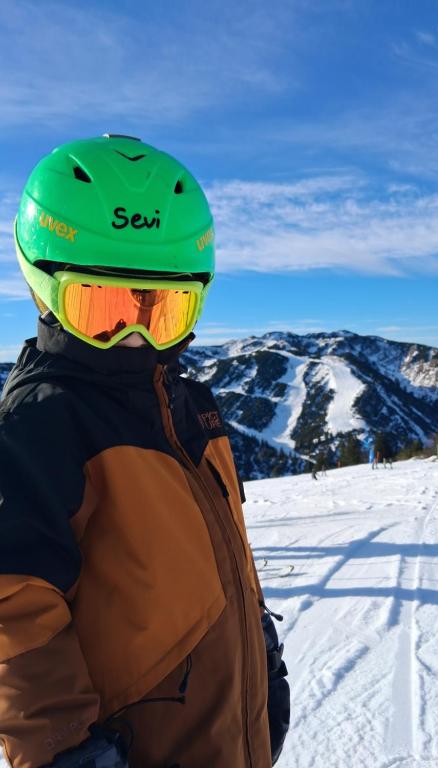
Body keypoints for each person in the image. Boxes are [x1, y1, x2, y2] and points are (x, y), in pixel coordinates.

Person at [0, 136, 289, 768]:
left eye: (161, 309)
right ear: (44, 287)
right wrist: (63, 753)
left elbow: (226, 547)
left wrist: (259, 645)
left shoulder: (194, 407)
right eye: (101, 307)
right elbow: (12, 612)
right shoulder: (39, 423)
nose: (134, 337)